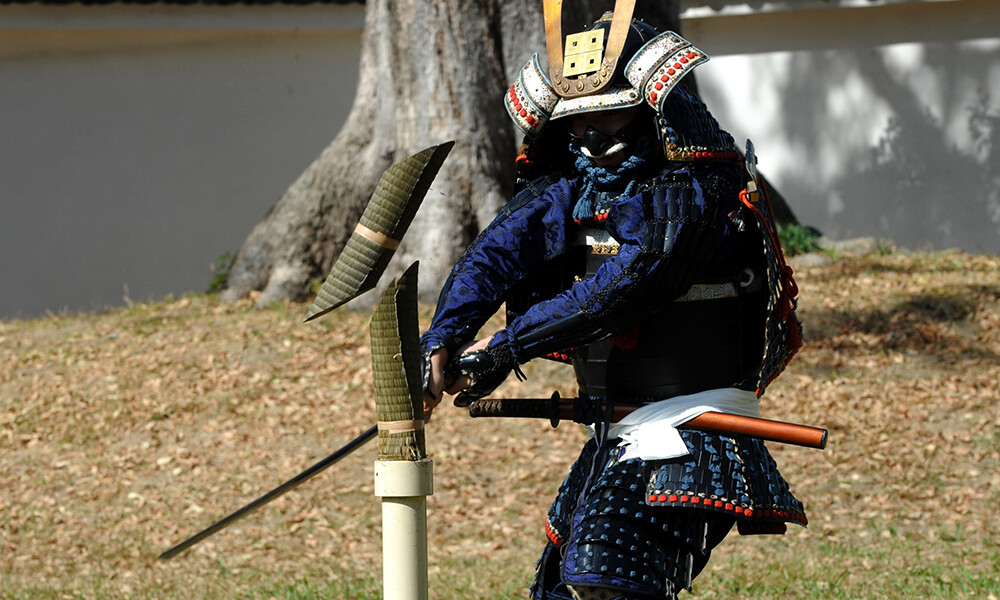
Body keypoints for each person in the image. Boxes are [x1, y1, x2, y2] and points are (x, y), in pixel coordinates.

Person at [420, 9, 806, 600]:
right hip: (617, 428)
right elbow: (498, 252)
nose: (590, 136)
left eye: (608, 113)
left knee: (605, 578)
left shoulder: (696, 194)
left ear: (652, 109)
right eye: (576, 122)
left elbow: (623, 288)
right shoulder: (578, 184)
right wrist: (443, 338)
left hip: (692, 426)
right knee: (556, 592)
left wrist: (505, 347)